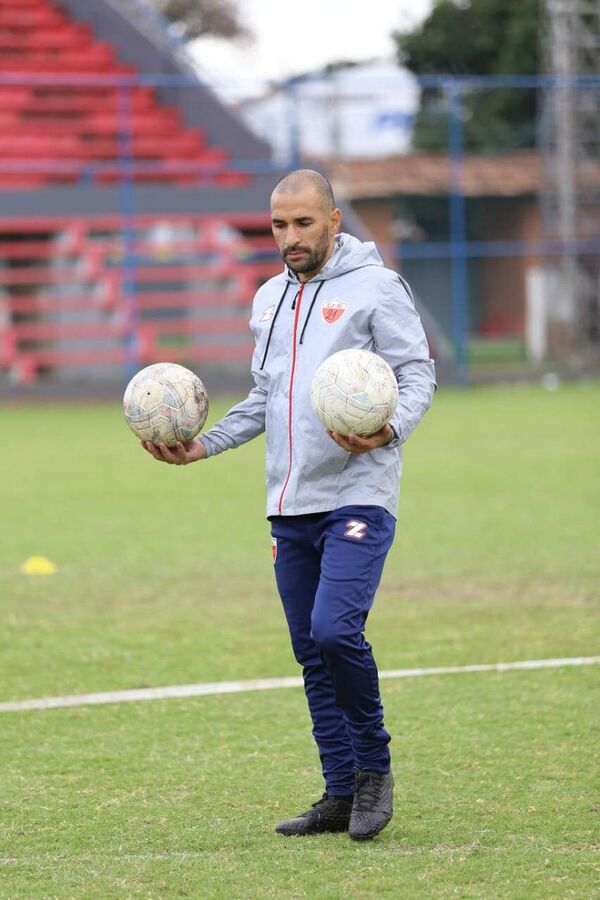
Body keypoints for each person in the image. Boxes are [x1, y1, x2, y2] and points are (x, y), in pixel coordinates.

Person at [142, 169, 436, 841]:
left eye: (304, 223)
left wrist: (388, 430)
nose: (290, 237)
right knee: (311, 649)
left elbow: (417, 372)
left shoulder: (376, 287)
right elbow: (265, 397)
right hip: (289, 500)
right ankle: (337, 792)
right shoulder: (269, 298)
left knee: (337, 631)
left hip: (358, 493)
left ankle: (374, 773)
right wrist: (204, 444)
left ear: (334, 221)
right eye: (279, 225)